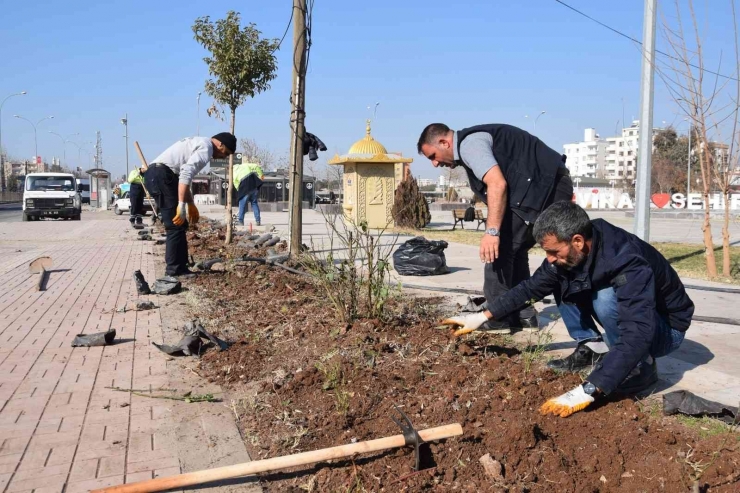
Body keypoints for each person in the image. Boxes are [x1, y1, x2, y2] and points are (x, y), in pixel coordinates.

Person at [445, 202, 694, 417]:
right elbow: (530, 288)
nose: (550, 258)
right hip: (641, 324)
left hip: (665, 331)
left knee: (606, 298)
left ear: (577, 241)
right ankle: (593, 347)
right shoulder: (572, 249)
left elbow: (638, 331)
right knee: (561, 279)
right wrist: (481, 316)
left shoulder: (625, 259)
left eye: (554, 251)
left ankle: (642, 367)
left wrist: (590, 388)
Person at [417, 123, 573, 333]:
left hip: (542, 188)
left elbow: (497, 184)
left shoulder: (469, 145)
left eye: (433, 156)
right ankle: (524, 316)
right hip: (550, 185)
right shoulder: (475, 142)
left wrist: (492, 232)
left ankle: (497, 319)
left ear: (445, 142)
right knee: (515, 252)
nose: (435, 164)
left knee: (496, 252)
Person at [145, 132, 236, 278]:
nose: (224, 157)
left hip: (162, 176)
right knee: (174, 225)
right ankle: (174, 271)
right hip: (161, 176)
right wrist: (181, 205)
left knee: (181, 225)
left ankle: (181, 266)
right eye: (226, 153)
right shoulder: (206, 148)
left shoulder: (200, 143)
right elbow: (186, 173)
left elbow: (183, 179)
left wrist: (190, 203)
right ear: (220, 144)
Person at [234, 161, 264, 226]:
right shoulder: (245, 165)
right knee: (254, 203)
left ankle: (241, 221)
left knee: (242, 204)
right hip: (253, 186)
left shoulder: (233, 172)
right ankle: (258, 221)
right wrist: (261, 175)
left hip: (244, 188)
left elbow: (236, 183)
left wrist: (239, 191)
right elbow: (256, 166)